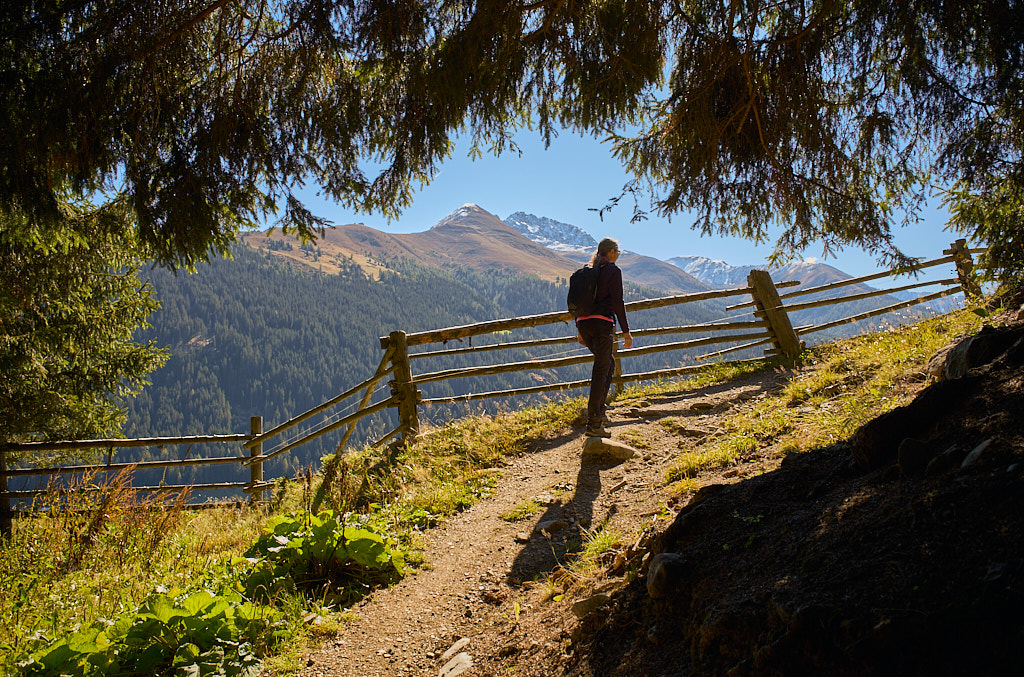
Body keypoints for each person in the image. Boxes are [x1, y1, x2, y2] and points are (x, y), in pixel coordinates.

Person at [576, 237, 632, 437]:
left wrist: (579, 331)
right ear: (610, 252)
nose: (619, 255)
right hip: (602, 324)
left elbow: (577, 303)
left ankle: (599, 412)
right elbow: (617, 302)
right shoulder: (613, 271)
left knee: (607, 364)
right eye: (618, 251)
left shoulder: (586, 272)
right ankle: (594, 424)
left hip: (584, 323)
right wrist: (626, 331)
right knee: (602, 369)